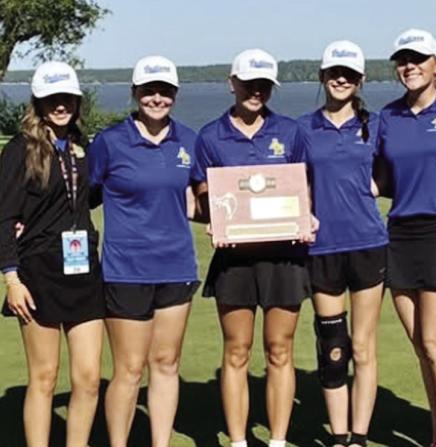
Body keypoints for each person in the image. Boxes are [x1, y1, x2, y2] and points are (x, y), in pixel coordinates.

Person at [193, 48, 313, 447]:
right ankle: (240, 441)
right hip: (235, 259)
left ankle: (278, 440)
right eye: (249, 83)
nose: (256, 91)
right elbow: (203, 191)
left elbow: (302, 189)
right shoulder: (210, 136)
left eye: (264, 84)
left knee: (280, 349)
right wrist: (216, 213)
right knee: (237, 351)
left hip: (284, 256)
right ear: (232, 83)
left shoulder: (290, 132)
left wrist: (306, 217)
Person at [87, 55, 200, 447]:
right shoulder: (109, 142)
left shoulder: (189, 140)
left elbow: (204, 201)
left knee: (166, 364)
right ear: (135, 93)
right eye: (149, 90)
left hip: (176, 267)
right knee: (130, 369)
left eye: (165, 91)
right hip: (126, 270)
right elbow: (81, 197)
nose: (157, 98)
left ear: (175, 94)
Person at [0, 61, 104, 446]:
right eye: (51, 98)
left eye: (66, 98)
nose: (60, 105)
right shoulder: (20, 149)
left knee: (89, 378)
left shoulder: (83, 145)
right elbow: (4, 216)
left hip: (84, 272)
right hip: (36, 273)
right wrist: (11, 278)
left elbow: (90, 196)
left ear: (76, 100)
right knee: (44, 378)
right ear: (38, 102)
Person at [375, 30, 436, 447]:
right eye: (402, 59)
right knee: (421, 346)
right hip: (401, 233)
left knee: (435, 341)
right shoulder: (388, 116)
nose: (409, 66)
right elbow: (378, 179)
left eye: (417, 59)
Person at [298, 40, 387, 447]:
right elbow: (290, 186)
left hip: (367, 244)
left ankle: (360, 437)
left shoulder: (375, 125)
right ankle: (339, 436)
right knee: (333, 346)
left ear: (360, 80)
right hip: (322, 248)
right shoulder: (303, 128)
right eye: (334, 72)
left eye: (349, 74)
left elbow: (393, 170)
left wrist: (376, 184)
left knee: (364, 347)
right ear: (322, 76)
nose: (341, 79)